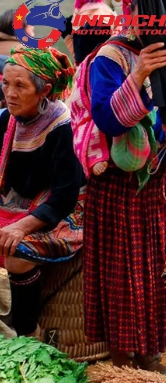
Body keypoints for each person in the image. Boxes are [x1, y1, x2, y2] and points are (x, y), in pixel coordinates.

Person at [82, 0, 166, 375]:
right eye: (150, 15)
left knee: (158, 271)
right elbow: (105, 118)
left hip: (159, 187)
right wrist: (139, 73)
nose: (158, 24)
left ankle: (151, 353)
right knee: (122, 274)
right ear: (132, 13)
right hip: (118, 187)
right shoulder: (109, 58)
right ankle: (122, 359)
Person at [0, 47, 83, 339]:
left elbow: (65, 194)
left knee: (17, 255)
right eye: (6, 83)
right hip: (16, 203)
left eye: (20, 86)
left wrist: (22, 226)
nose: (10, 93)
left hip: (62, 211)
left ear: (44, 89)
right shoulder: (6, 119)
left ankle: (27, 333)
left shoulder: (62, 126)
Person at [64, 0, 128, 65]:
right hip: (98, 74)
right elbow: (95, 58)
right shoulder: (101, 15)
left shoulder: (88, 10)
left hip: (84, 73)